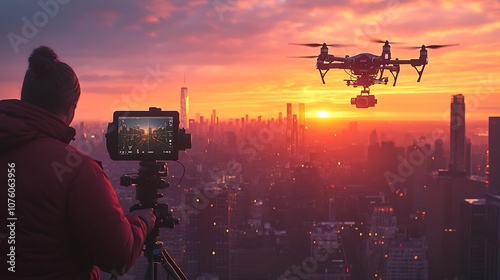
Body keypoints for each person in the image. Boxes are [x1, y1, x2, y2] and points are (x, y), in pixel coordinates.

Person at [0, 46, 156, 279]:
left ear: (25, 97)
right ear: (71, 107)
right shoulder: (76, 170)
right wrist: (143, 219)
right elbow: (118, 257)